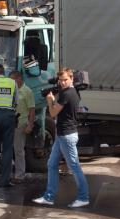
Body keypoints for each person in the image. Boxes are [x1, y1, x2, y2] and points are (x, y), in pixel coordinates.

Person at [33, 68, 90, 208]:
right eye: (61, 80)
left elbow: (52, 114)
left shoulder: (67, 94)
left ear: (72, 79)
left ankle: (84, 197)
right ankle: (49, 196)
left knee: (74, 166)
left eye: (65, 80)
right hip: (62, 135)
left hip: (67, 135)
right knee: (52, 164)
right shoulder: (74, 92)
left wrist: (50, 100)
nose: (63, 82)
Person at [9, 71, 36, 182]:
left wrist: (30, 124)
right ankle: (9, 173)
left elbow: (32, 109)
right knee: (7, 149)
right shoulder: (11, 90)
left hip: (21, 123)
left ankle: (20, 175)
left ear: (19, 79)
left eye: (13, 79)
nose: (11, 82)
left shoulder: (27, 91)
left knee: (18, 150)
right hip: (10, 122)